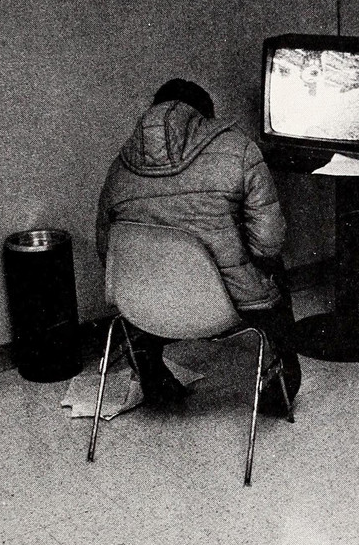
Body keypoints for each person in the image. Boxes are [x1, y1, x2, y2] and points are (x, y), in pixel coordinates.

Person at [96, 78, 301, 412]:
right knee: (274, 269)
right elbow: (269, 243)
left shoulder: (119, 166)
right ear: (204, 118)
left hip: (144, 306)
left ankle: (151, 372)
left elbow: (107, 252)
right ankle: (282, 386)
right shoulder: (240, 150)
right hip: (224, 303)